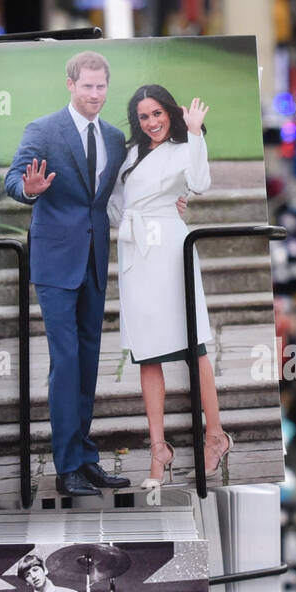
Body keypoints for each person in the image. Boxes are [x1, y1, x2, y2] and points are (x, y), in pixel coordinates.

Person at [4, 51, 143, 497]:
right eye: (87, 86)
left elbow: (121, 192)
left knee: (86, 363)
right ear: (70, 84)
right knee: (64, 363)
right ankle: (67, 467)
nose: (95, 95)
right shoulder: (43, 130)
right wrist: (28, 189)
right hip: (54, 263)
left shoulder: (116, 137)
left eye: (101, 87)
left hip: (93, 260)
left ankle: (86, 457)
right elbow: (12, 181)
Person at [108, 84, 233, 487]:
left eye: (158, 114)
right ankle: (158, 450)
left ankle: (215, 437)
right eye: (144, 116)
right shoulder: (130, 155)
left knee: (192, 347)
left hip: (168, 250)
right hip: (135, 254)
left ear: (170, 113)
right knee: (147, 355)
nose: (152, 122)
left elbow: (199, 183)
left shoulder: (185, 146)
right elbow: (117, 204)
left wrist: (196, 132)